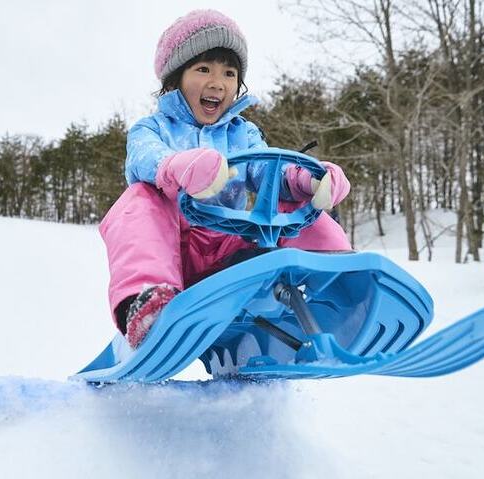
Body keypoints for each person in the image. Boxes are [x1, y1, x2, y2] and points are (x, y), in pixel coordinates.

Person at [100, 9, 352, 349]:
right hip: (175, 254)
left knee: (295, 204)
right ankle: (147, 304)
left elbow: (267, 174)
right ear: (176, 78)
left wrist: (309, 180)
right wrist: (180, 167)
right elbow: (145, 160)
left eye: (229, 73)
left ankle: (341, 282)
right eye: (203, 69)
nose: (217, 82)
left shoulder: (243, 132)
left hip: (229, 249)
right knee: (138, 199)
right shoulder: (152, 129)